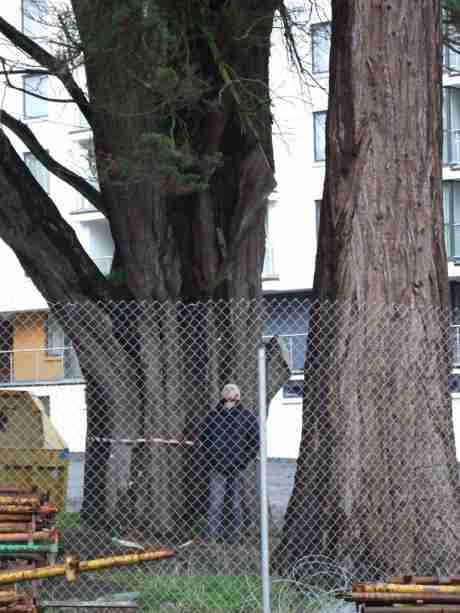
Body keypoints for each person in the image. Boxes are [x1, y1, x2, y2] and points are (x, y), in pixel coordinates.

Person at [198, 383, 259, 544]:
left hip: (238, 467)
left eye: (234, 394)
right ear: (222, 396)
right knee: (215, 504)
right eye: (227, 394)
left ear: (238, 397)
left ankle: (234, 538)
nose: (231, 397)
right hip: (216, 467)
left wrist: (242, 461)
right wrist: (211, 458)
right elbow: (203, 439)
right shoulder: (212, 416)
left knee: (235, 504)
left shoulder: (247, 416)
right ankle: (212, 538)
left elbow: (254, 442)